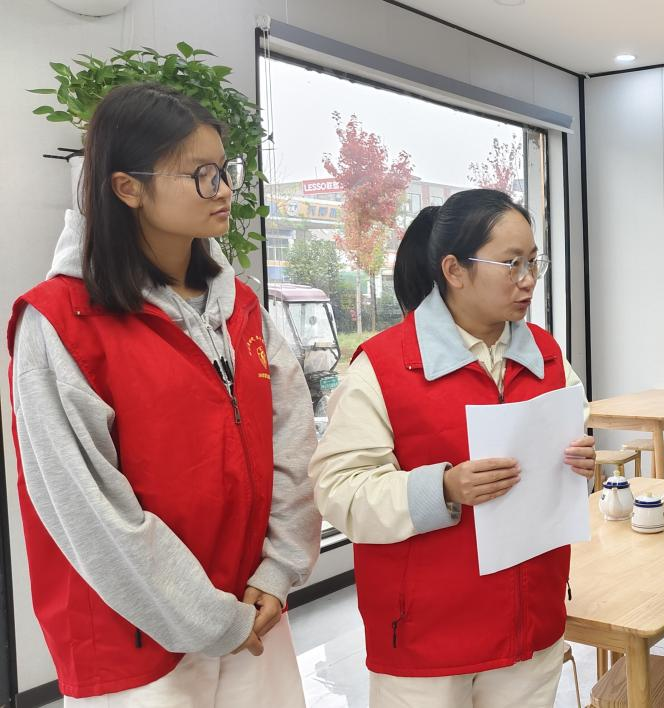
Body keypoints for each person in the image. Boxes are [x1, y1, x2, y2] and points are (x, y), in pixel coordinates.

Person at [7, 83, 320, 705]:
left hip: (252, 610)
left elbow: (292, 438)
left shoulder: (240, 307)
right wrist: (207, 619)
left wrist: (279, 570)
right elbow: (85, 506)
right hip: (138, 644)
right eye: (201, 175)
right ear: (128, 188)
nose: (224, 190)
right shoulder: (61, 322)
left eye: (225, 170)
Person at [309, 189, 596, 707]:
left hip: (530, 631)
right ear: (454, 270)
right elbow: (339, 491)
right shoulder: (382, 367)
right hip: (427, 645)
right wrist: (441, 488)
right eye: (511, 264)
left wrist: (580, 464)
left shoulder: (548, 357)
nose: (528, 279)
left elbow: (574, 445)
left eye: (534, 262)